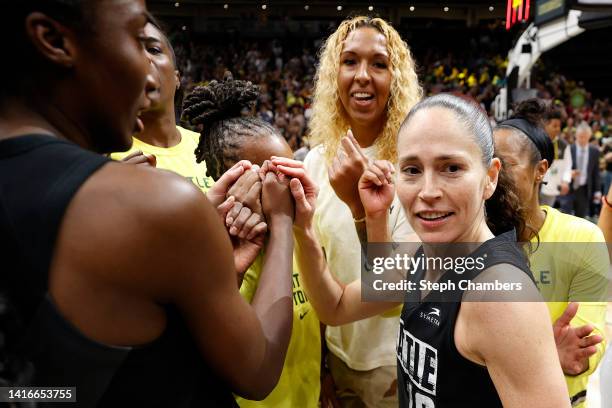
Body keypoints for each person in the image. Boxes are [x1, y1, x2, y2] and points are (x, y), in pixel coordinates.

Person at [0, 1, 295, 405]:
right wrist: (290, 223)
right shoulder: (153, 195)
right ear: (53, 41)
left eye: (381, 62)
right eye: (139, 40)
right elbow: (374, 296)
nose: (146, 66)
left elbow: (359, 301)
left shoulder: (332, 172)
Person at [283, 93, 571, 407]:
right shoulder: (419, 255)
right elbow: (336, 307)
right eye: (412, 170)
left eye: (451, 168)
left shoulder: (499, 297)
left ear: (490, 177)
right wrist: (304, 226)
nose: (428, 191)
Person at [181, 78, 321, 408]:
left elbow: (321, 317)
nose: (292, 186)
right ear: (232, 184)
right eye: (277, 176)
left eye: (294, 169)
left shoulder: (302, 235)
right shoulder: (213, 261)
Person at [303, 16, 422, 407]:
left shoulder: (416, 166)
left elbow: (394, 288)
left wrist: (360, 208)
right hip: (337, 356)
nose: (362, 76)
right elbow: (310, 269)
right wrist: (321, 363)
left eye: (379, 64)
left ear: (397, 78)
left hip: (397, 362)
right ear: (333, 75)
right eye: (350, 61)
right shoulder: (315, 164)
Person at [493, 99, 608, 408]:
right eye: (487, 164)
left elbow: (585, 349)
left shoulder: (582, 238)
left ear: (540, 170)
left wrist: (569, 358)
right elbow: (386, 301)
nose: (494, 175)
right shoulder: (469, 239)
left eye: (506, 164)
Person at [110, 19, 215, 192]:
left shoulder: (210, 148)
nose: (143, 59)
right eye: (131, 52)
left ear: (177, 78)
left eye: (153, 50)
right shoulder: (105, 158)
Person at [564, 122, 601, 218]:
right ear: (576, 135)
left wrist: (597, 191)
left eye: (585, 137)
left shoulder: (594, 151)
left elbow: (595, 173)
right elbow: (563, 168)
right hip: (569, 187)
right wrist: (569, 174)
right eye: (580, 136)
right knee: (566, 216)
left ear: (589, 136)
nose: (582, 139)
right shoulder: (569, 149)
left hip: (584, 189)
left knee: (580, 218)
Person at [540, 109, 572, 207]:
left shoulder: (564, 145)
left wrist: (565, 181)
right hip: (537, 186)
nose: (558, 129)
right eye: (554, 126)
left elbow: (568, 166)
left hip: (554, 187)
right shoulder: (538, 142)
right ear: (546, 125)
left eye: (559, 126)